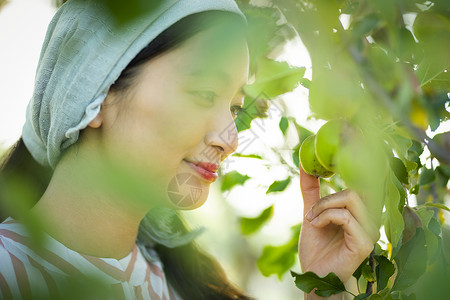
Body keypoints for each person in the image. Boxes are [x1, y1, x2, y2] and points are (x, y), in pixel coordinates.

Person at [0, 0, 380, 299]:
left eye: (233, 107)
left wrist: (323, 292)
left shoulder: (184, 287)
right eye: (203, 94)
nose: (229, 140)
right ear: (97, 94)